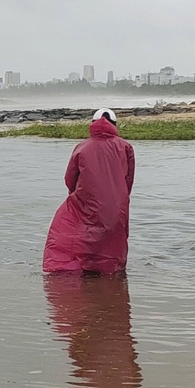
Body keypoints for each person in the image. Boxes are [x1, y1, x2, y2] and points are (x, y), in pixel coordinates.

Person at [43, 108, 135, 274]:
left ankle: (82, 271)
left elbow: (70, 178)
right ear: (114, 124)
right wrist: (119, 197)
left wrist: (77, 198)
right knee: (112, 240)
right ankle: (110, 276)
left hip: (87, 201)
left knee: (77, 233)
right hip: (117, 203)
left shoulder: (82, 147)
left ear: (92, 123)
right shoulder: (125, 147)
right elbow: (128, 179)